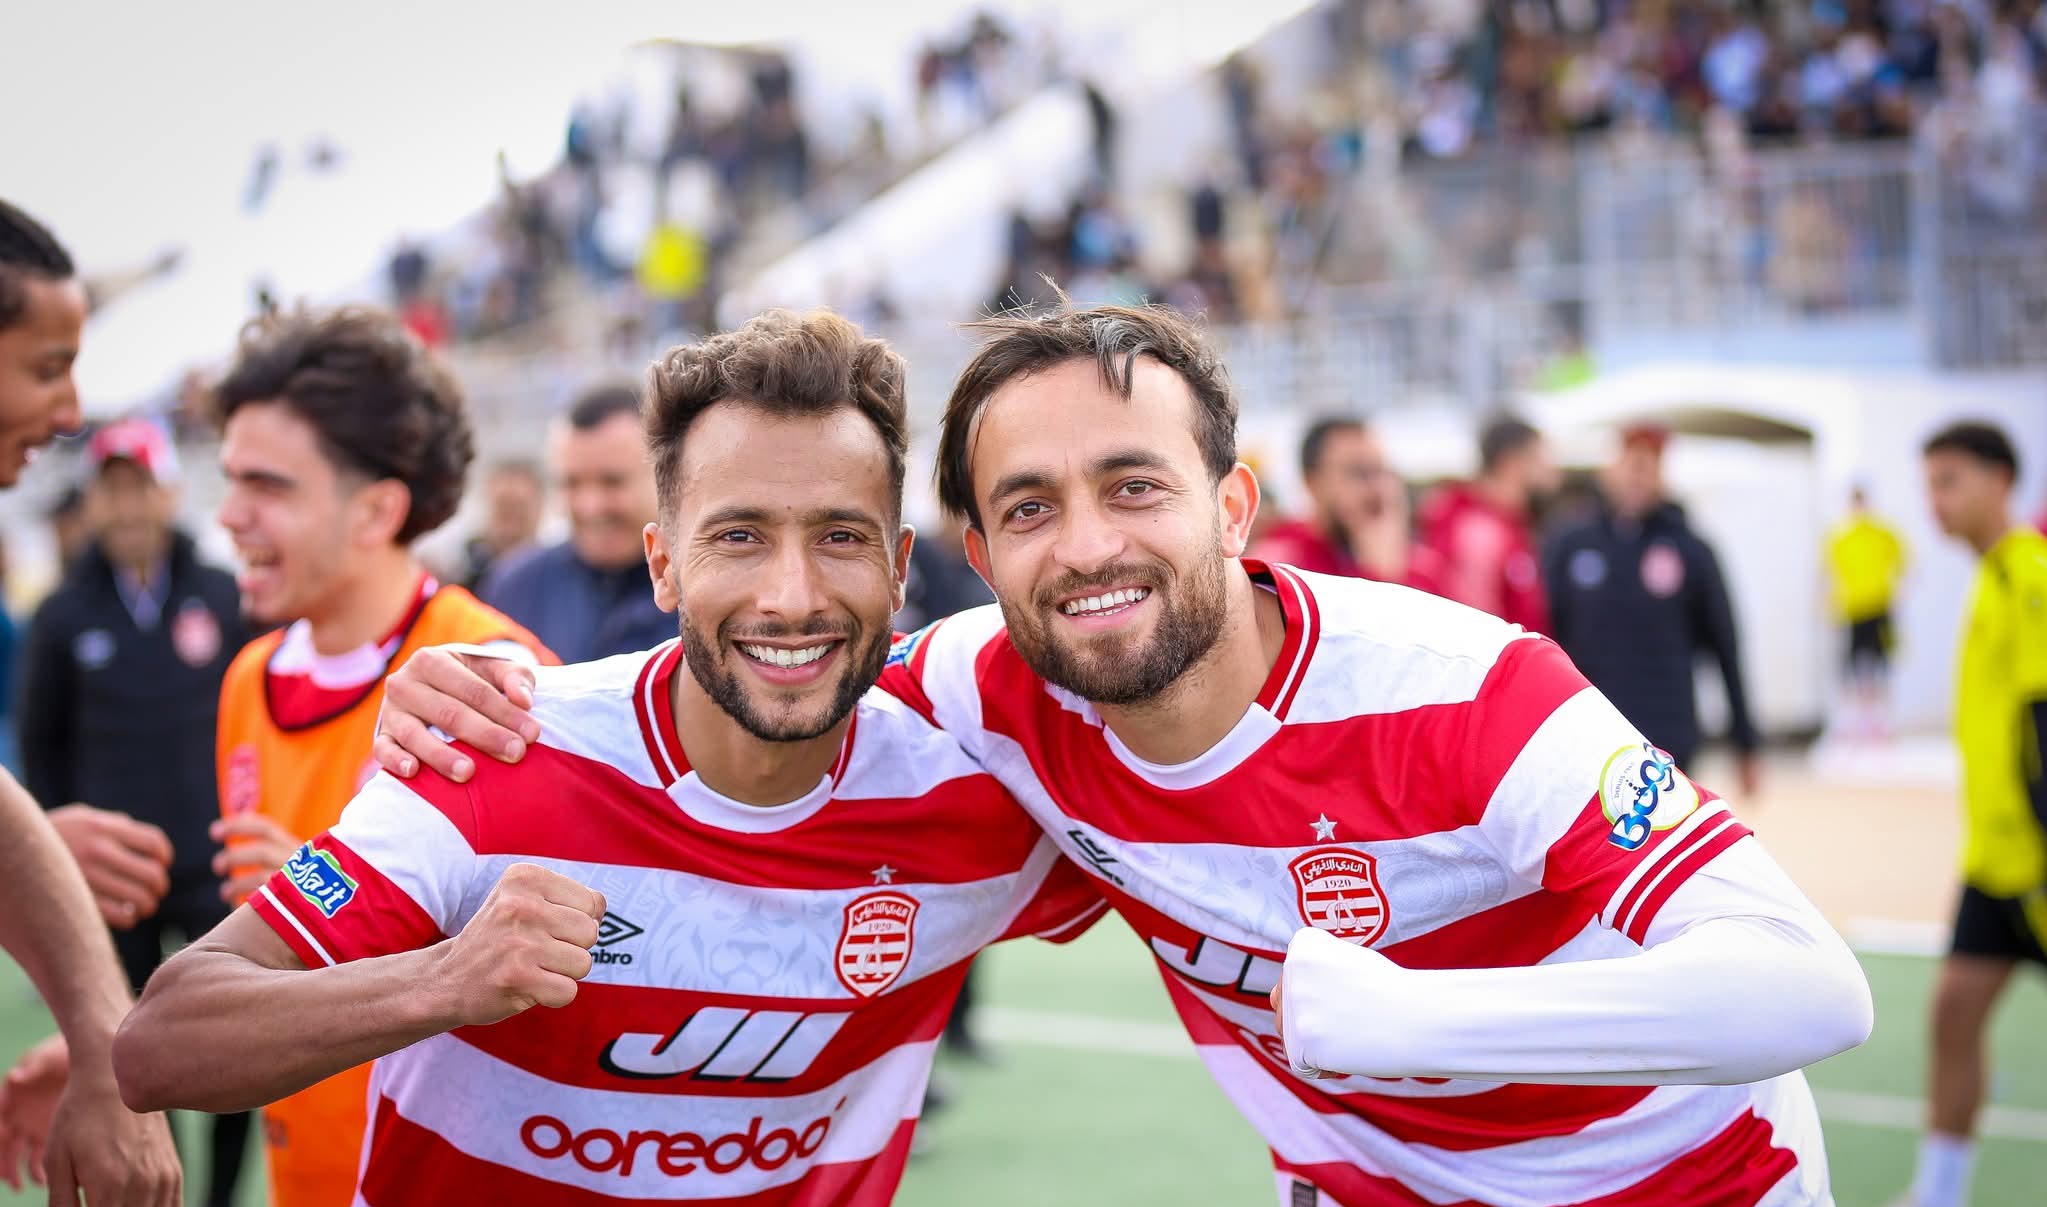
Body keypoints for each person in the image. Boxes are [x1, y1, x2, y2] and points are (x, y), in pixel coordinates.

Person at [380, 303, 1873, 1207]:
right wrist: (496, 692)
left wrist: (1413, 1018)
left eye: (1133, 486)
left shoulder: (1466, 689)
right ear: (975, 557)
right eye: (1028, 507)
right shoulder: (985, 686)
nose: (1086, 546)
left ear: (1232, 506)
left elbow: (1808, 984)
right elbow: (765, 650)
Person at [114, 309, 1100, 1202]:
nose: (792, 594)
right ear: (663, 563)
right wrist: (445, 981)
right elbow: (160, 1042)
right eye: (739, 536)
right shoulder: (493, 749)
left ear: (897, 566)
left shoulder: (974, 793)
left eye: (840, 536)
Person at [204, 306, 554, 1207]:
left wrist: (331, 905)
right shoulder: (249, 678)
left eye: (267, 486)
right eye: (231, 479)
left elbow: (560, 962)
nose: (229, 515)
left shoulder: (492, 672)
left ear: (378, 509)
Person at [14, 417, 251, 1205]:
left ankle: (220, 1193)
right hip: (118, 879)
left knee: (238, 1047)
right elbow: (40, 745)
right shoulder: (61, 614)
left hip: (215, 864)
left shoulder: (221, 593)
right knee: (135, 1052)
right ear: (92, 502)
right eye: (110, 490)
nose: (126, 506)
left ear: (167, 492)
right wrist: (60, 856)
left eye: (139, 486)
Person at [0, 196, 182, 1205]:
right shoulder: (66, 610)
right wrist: (107, 1053)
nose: (71, 410)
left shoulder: (212, 596)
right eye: (45, 367)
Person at [1891, 421, 2047, 1207]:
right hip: (1993, 863)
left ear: (1999, 480)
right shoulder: (1988, 574)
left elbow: (2042, 722)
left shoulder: (2029, 573)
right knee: (1952, 1014)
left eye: (1948, 480)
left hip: (2038, 864)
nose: (1934, 500)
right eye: (1928, 483)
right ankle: (1938, 1191)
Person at [1542, 422, 1763, 797]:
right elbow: (1544, 636)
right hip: (1586, 730)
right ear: (1610, 468)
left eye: (1649, 466)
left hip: (1667, 737)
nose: (1637, 476)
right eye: (1631, 463)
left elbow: (1726, 647)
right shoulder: (1570, 543)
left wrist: (1745, 742)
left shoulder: (1691, 550)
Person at [482, 384, 673, 659]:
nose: (590, 506)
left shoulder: (699, 591)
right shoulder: (517, 588)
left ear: (665, 476)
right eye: (572, 483)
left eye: (612, 481)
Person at [1247, 415, 1446, 592]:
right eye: (1357, 473)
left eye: (1381, 470)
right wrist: (1378, 574)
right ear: (1312, 483)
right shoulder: (1282, 567)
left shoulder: (1426, 567)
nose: (1376, 488)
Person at [1416, 415, 1557, 634]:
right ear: (1512, 463)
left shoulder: (1504, 523)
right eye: (1540, 459)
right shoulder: (1480, 531)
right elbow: (1477, 626)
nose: (1550, 470)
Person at [1824, 485, 1907, 740]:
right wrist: (1832, 604)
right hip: (1854, 609)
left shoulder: (1883, 533)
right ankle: (1856, 722)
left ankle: (1883, 720)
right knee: (1854, 666)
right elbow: (1831, 573)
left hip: (1879, 605)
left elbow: (1902, 560)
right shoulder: (1842, 538)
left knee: (1882, 664)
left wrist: (1893, 590)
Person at [456, 458, 543, 590]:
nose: (511, 525)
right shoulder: (458, 573)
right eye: (503, 507)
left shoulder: (554, 578)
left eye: (519, 508)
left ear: (539, 509)